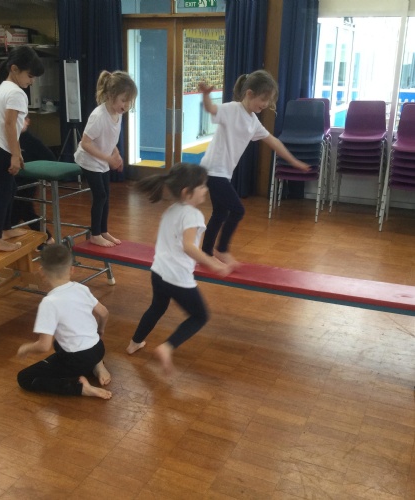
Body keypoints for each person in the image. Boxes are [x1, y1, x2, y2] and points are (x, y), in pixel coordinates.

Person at [126, 163, 234, 375]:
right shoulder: (193, 214)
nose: (206, 189)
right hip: (177, 277)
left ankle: (134, 343)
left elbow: (162, 239)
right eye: (202, 186)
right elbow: (188, 246)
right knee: (200, 316)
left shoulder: (170, 210)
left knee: (157, 307)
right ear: (187, 192)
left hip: (159, 271)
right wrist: (213, 264)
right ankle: (167, 347)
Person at [199, 70, 311, 266]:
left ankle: (206, 253)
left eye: (269, 101)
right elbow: (211, 109)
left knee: (220, 213)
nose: (266, 104)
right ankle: (221, 249)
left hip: (223, 172)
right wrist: (206, 95)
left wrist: (293, 161)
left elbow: (273, 141)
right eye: (263, 99)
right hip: (213, 169)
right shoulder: (232, 109)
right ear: (249, 93)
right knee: (237, 210)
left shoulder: (253, 122)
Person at [16, 243, 112, 399]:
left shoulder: (49, 302)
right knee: (59, 344)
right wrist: (100, 331)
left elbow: (44, 346)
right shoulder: (81, 288)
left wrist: (27, 348)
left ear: (41, 272)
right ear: (72, 269)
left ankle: (80, 388)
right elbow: (104, 313)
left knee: (24, 378)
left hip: (77, 360)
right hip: (98, 349)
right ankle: (98, 365)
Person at [0, 46, 44, 252]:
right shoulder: (16, 92)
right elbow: (9, 125)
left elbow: (10, 127)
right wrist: (15, 155)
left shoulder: (3, 87)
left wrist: (16, 154)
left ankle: (6, 228)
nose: (31, 81)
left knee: (11, 189)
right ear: (15, 69)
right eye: (30, 76)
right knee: (3, 193)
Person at [74, 70, 138, 248]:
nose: (126, 105)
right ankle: (95, 235)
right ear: (110, 96)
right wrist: (108, 158)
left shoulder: (118, 113)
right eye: (123, 100)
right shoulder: (98, 116)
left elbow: (109, 139)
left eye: (129, 101)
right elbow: (85, 143)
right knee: (100, 195)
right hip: (87, 160)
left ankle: (103, 231)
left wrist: (116, 154)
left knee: (106, 196)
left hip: (101, 160)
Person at [0, 115, 55, 250]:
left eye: (22, 120)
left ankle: (47, 238)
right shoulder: (7, 139)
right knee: (16, 210)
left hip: (27, 181)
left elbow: (50, 157)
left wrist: (43, 173)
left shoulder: (32, 141)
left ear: (28, 122)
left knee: (24, 209)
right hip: (13, 179)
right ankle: (10, 232)